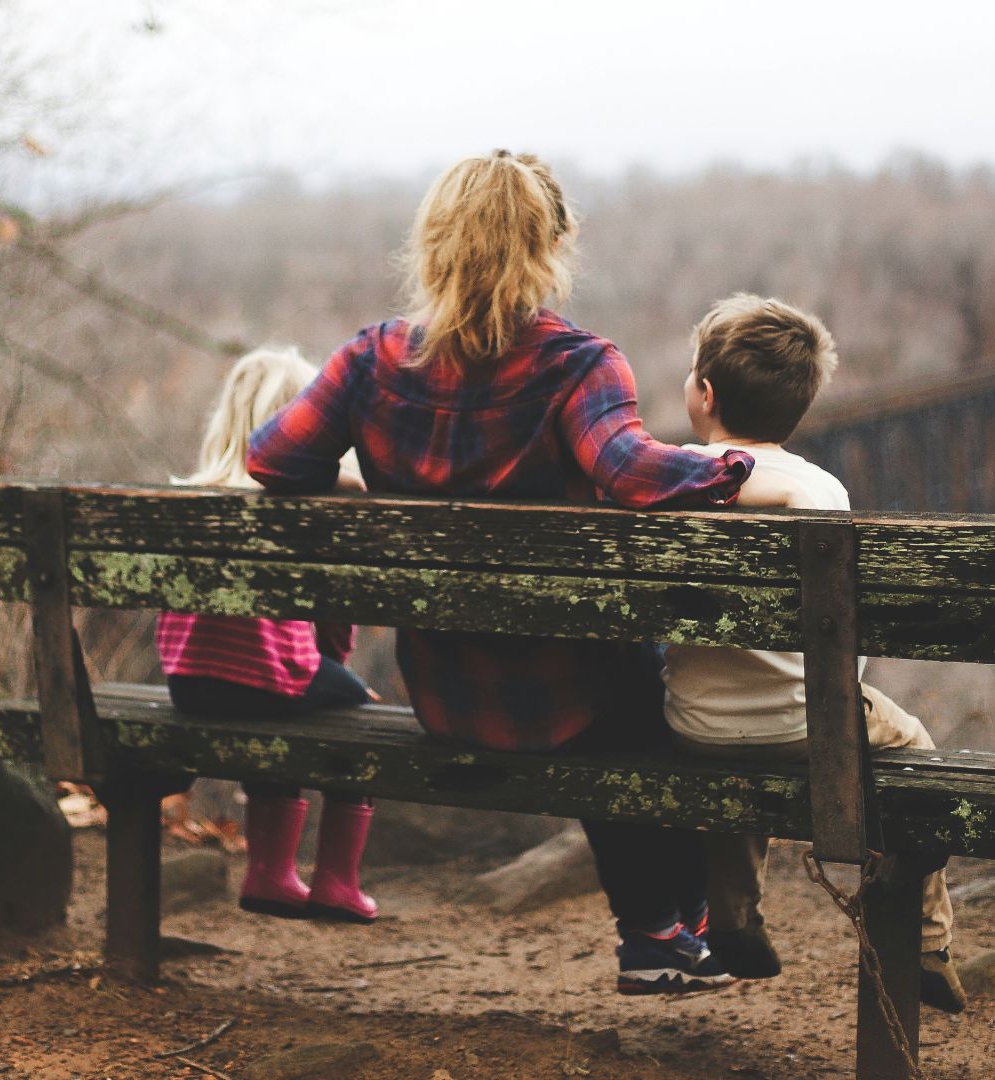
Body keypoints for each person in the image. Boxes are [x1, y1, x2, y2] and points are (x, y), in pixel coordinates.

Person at [247, 150, 753, 995]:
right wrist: (735, 467)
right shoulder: (577, 365)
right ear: (552, 245)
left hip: (446, 695)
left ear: (434, 243)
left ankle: (669, 931)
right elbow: (631, 472)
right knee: (648, 685)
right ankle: (668, 928)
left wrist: (354, 482)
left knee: (621, 681)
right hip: (571, 700)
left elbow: (271, 460)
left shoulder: (370, 360)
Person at [661, 293, 968, 1013]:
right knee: (914, 746)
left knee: (734, 741)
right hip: (809, 727)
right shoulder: (821, 491)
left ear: (704, 394)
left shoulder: (666, 479)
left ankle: (732, 919)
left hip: (693, 726)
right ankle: (927, 941)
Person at [158, 347, 380, 924]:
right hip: (266, 679)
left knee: (282, 698)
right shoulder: (300, 504)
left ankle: (270, 873)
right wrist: (337, 667)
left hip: (188, 684)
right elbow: (331, 621)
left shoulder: (189, 498)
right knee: (358, 712)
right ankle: (334, 882)